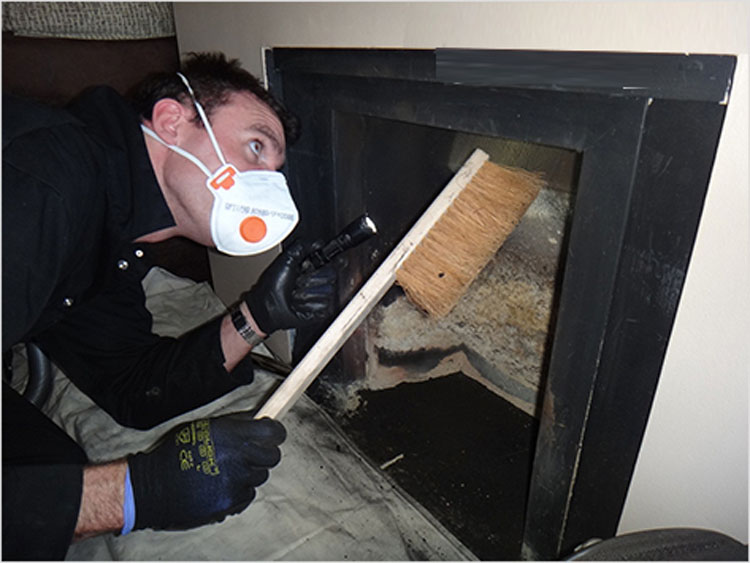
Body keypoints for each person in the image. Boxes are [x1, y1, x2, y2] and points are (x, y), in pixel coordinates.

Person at [2, 52, 338, 559]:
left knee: (52, 468)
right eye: (255, 147)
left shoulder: (110, 226)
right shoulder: (44, 176)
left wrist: (258, 316)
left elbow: (130, 386)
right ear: (171, 121)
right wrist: (133, 494)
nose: (268, 187)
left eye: (275, 172)